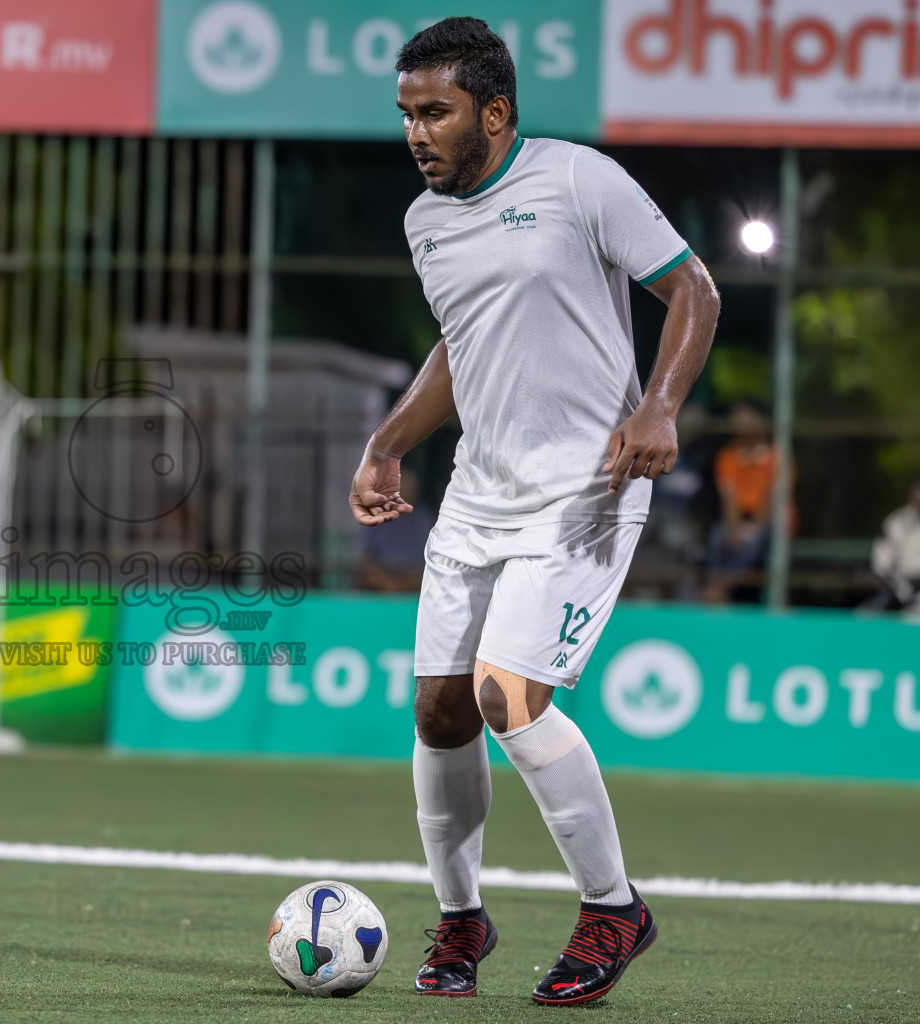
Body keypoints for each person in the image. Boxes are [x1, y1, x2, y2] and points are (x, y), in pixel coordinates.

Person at [349, 19, 719, 1007]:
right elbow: (459, 349)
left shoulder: (576, 181)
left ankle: (613, 907)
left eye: (436, 112)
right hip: (478, 491)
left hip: (586, 485)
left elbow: (694, 289)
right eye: (406, 115)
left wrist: (660, 406)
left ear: (495, 112)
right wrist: (390, 440)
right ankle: (463, 920)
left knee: (507, 694)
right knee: (438, 707)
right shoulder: (425, 223)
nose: (417, 133)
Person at [704, 400, 789, 601]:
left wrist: (753, 528)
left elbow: (773, 499)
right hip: (739, 520)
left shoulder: (777, 457)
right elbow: (729, 499)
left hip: (768, 522)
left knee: (756, 539)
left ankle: (722, 590)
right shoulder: (728, 457)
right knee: (719, 535)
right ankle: (715, 586)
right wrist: (734, 530)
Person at [359, 469, 436, 592]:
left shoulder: (424, 518)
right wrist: (388, 582)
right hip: (381, 584)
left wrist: (406, 583)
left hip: (416, 582)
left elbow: (434, 560)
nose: (403, 492)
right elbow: (366, 560)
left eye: (408, 486)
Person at [869, 477, 920, 612]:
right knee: (866, 616)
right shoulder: (896, 521)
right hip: (895, 587)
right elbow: (882, 561)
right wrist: (899, 585)